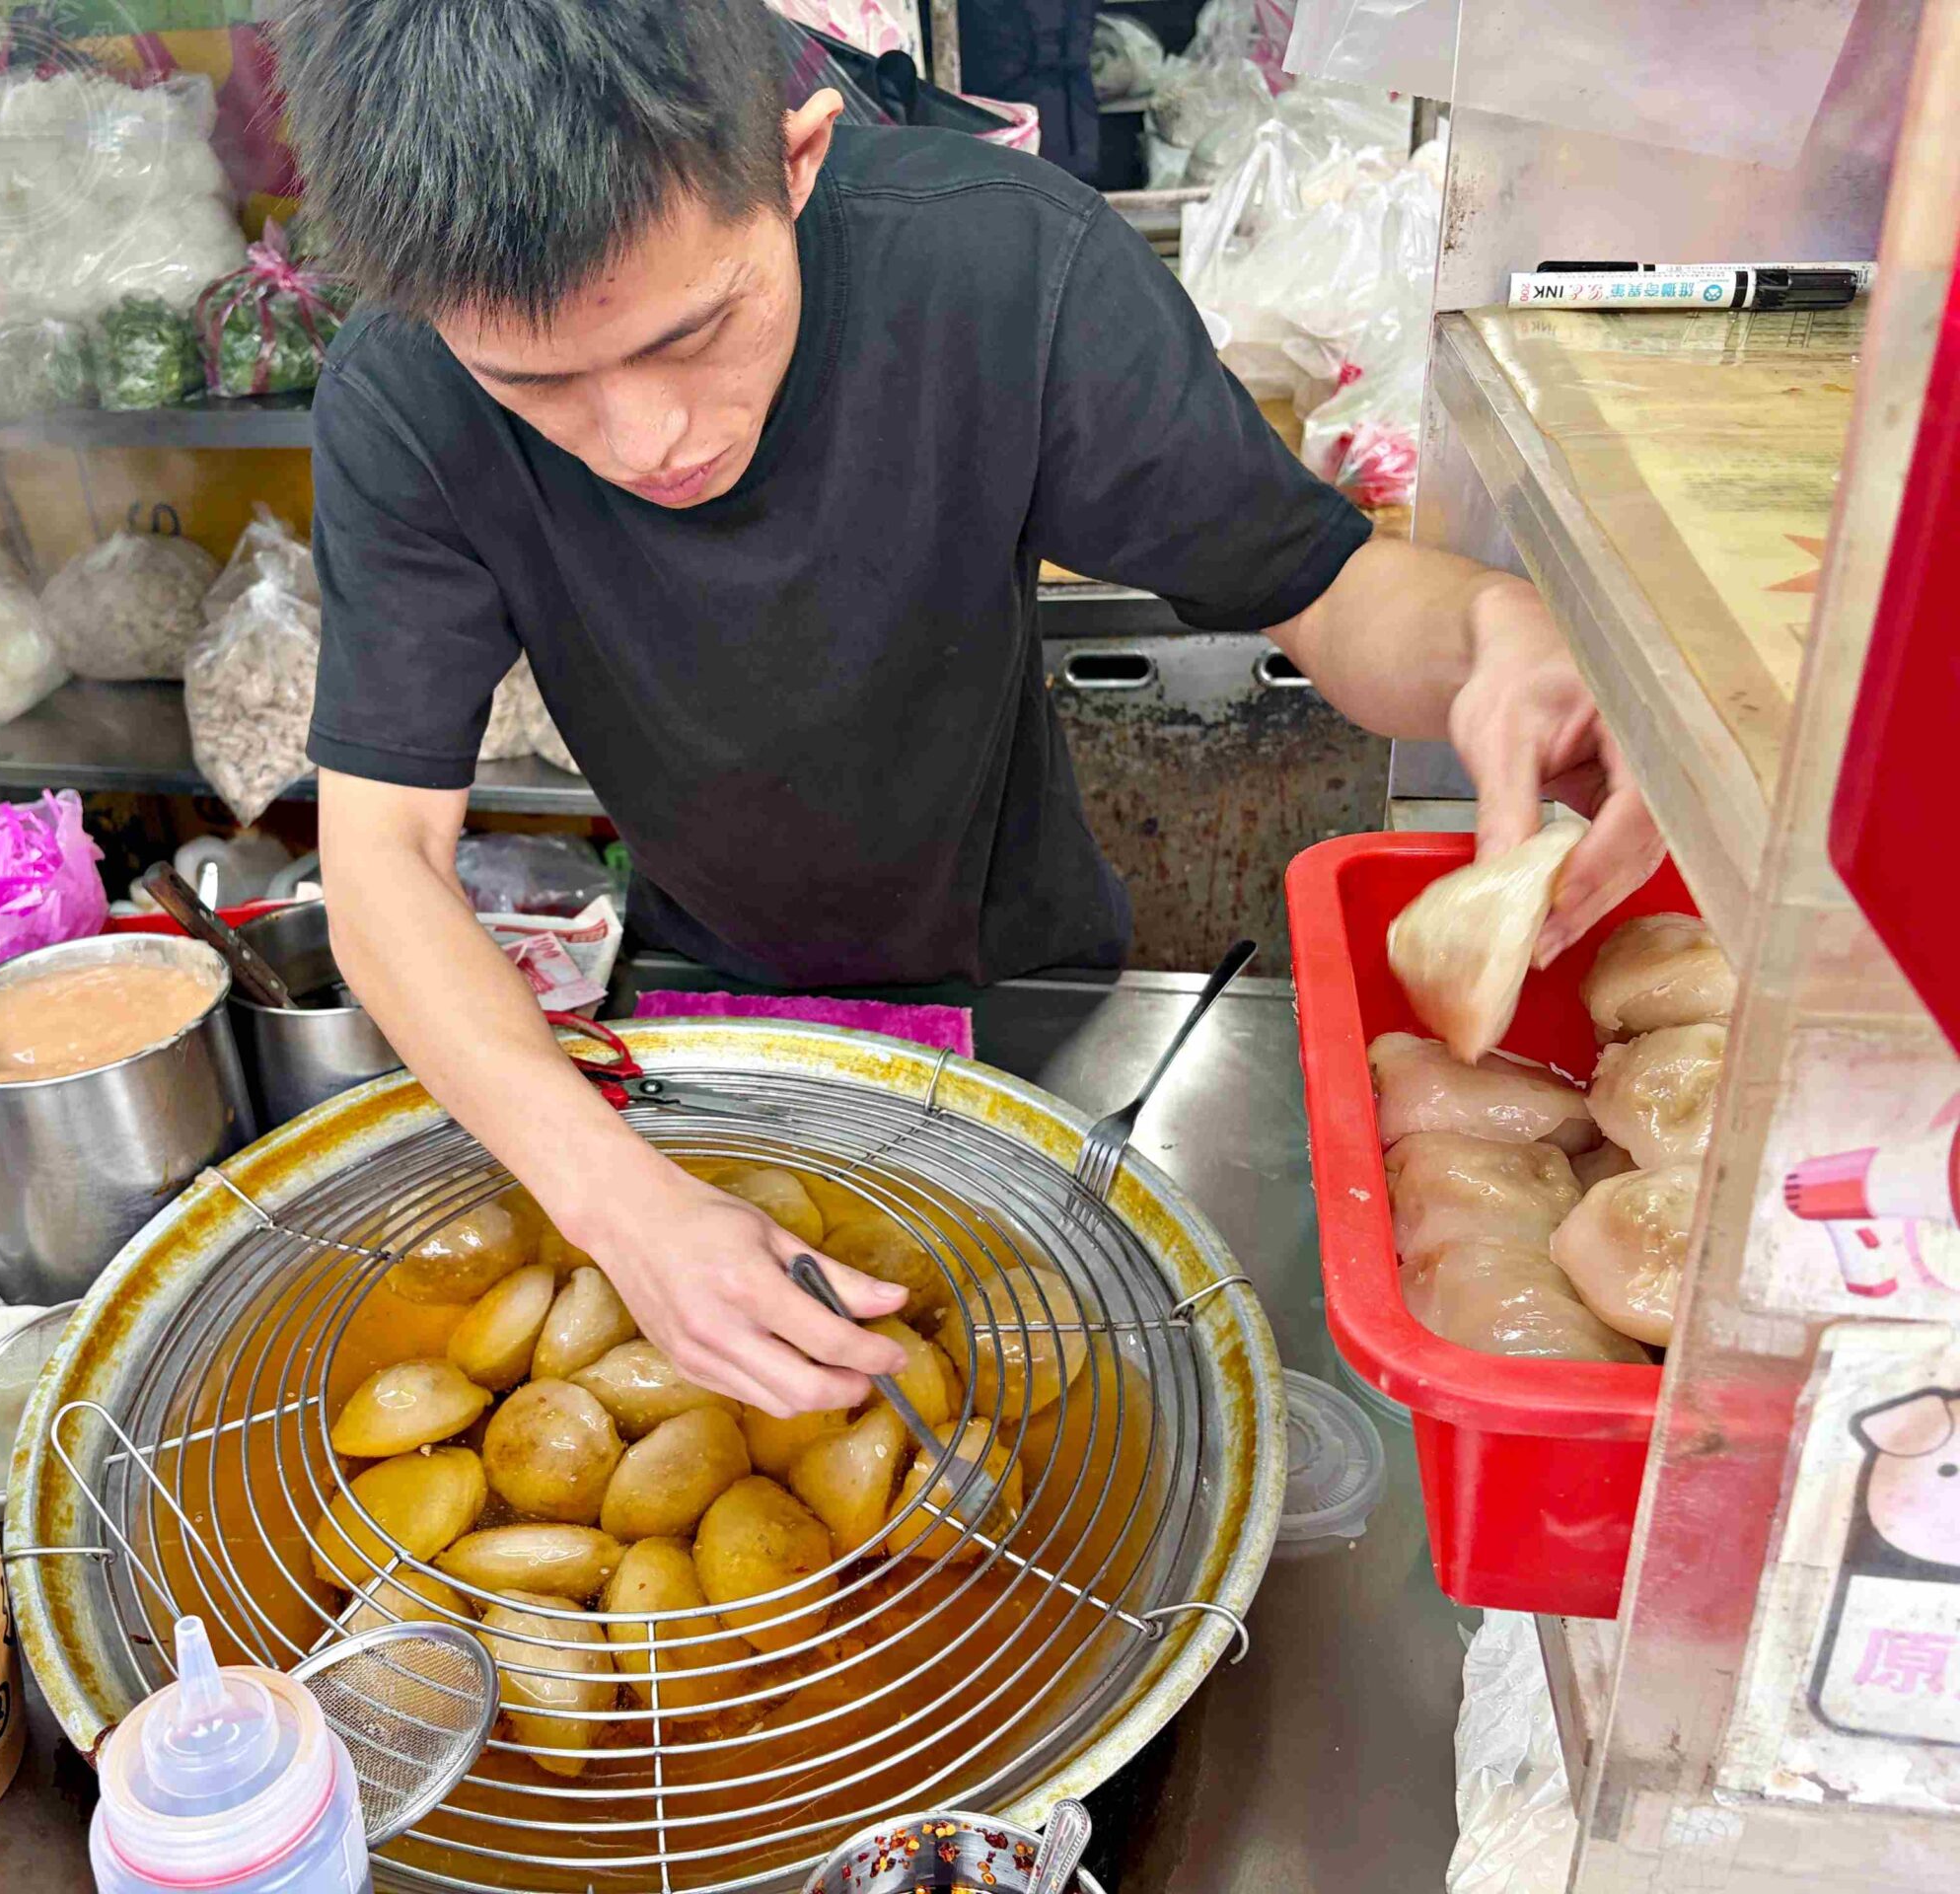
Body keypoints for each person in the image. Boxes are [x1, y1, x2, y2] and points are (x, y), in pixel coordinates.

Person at [279, 0, 1664, 1417]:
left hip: (1019, 968)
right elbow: (382, 860)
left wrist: (1492, 631)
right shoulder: (405, 399)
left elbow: (1323, 587)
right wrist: (621, 1205)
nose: (648, 440)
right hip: (710, 997)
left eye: (695, 333)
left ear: (799, 157)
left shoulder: (1006, 268)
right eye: (538, 386)